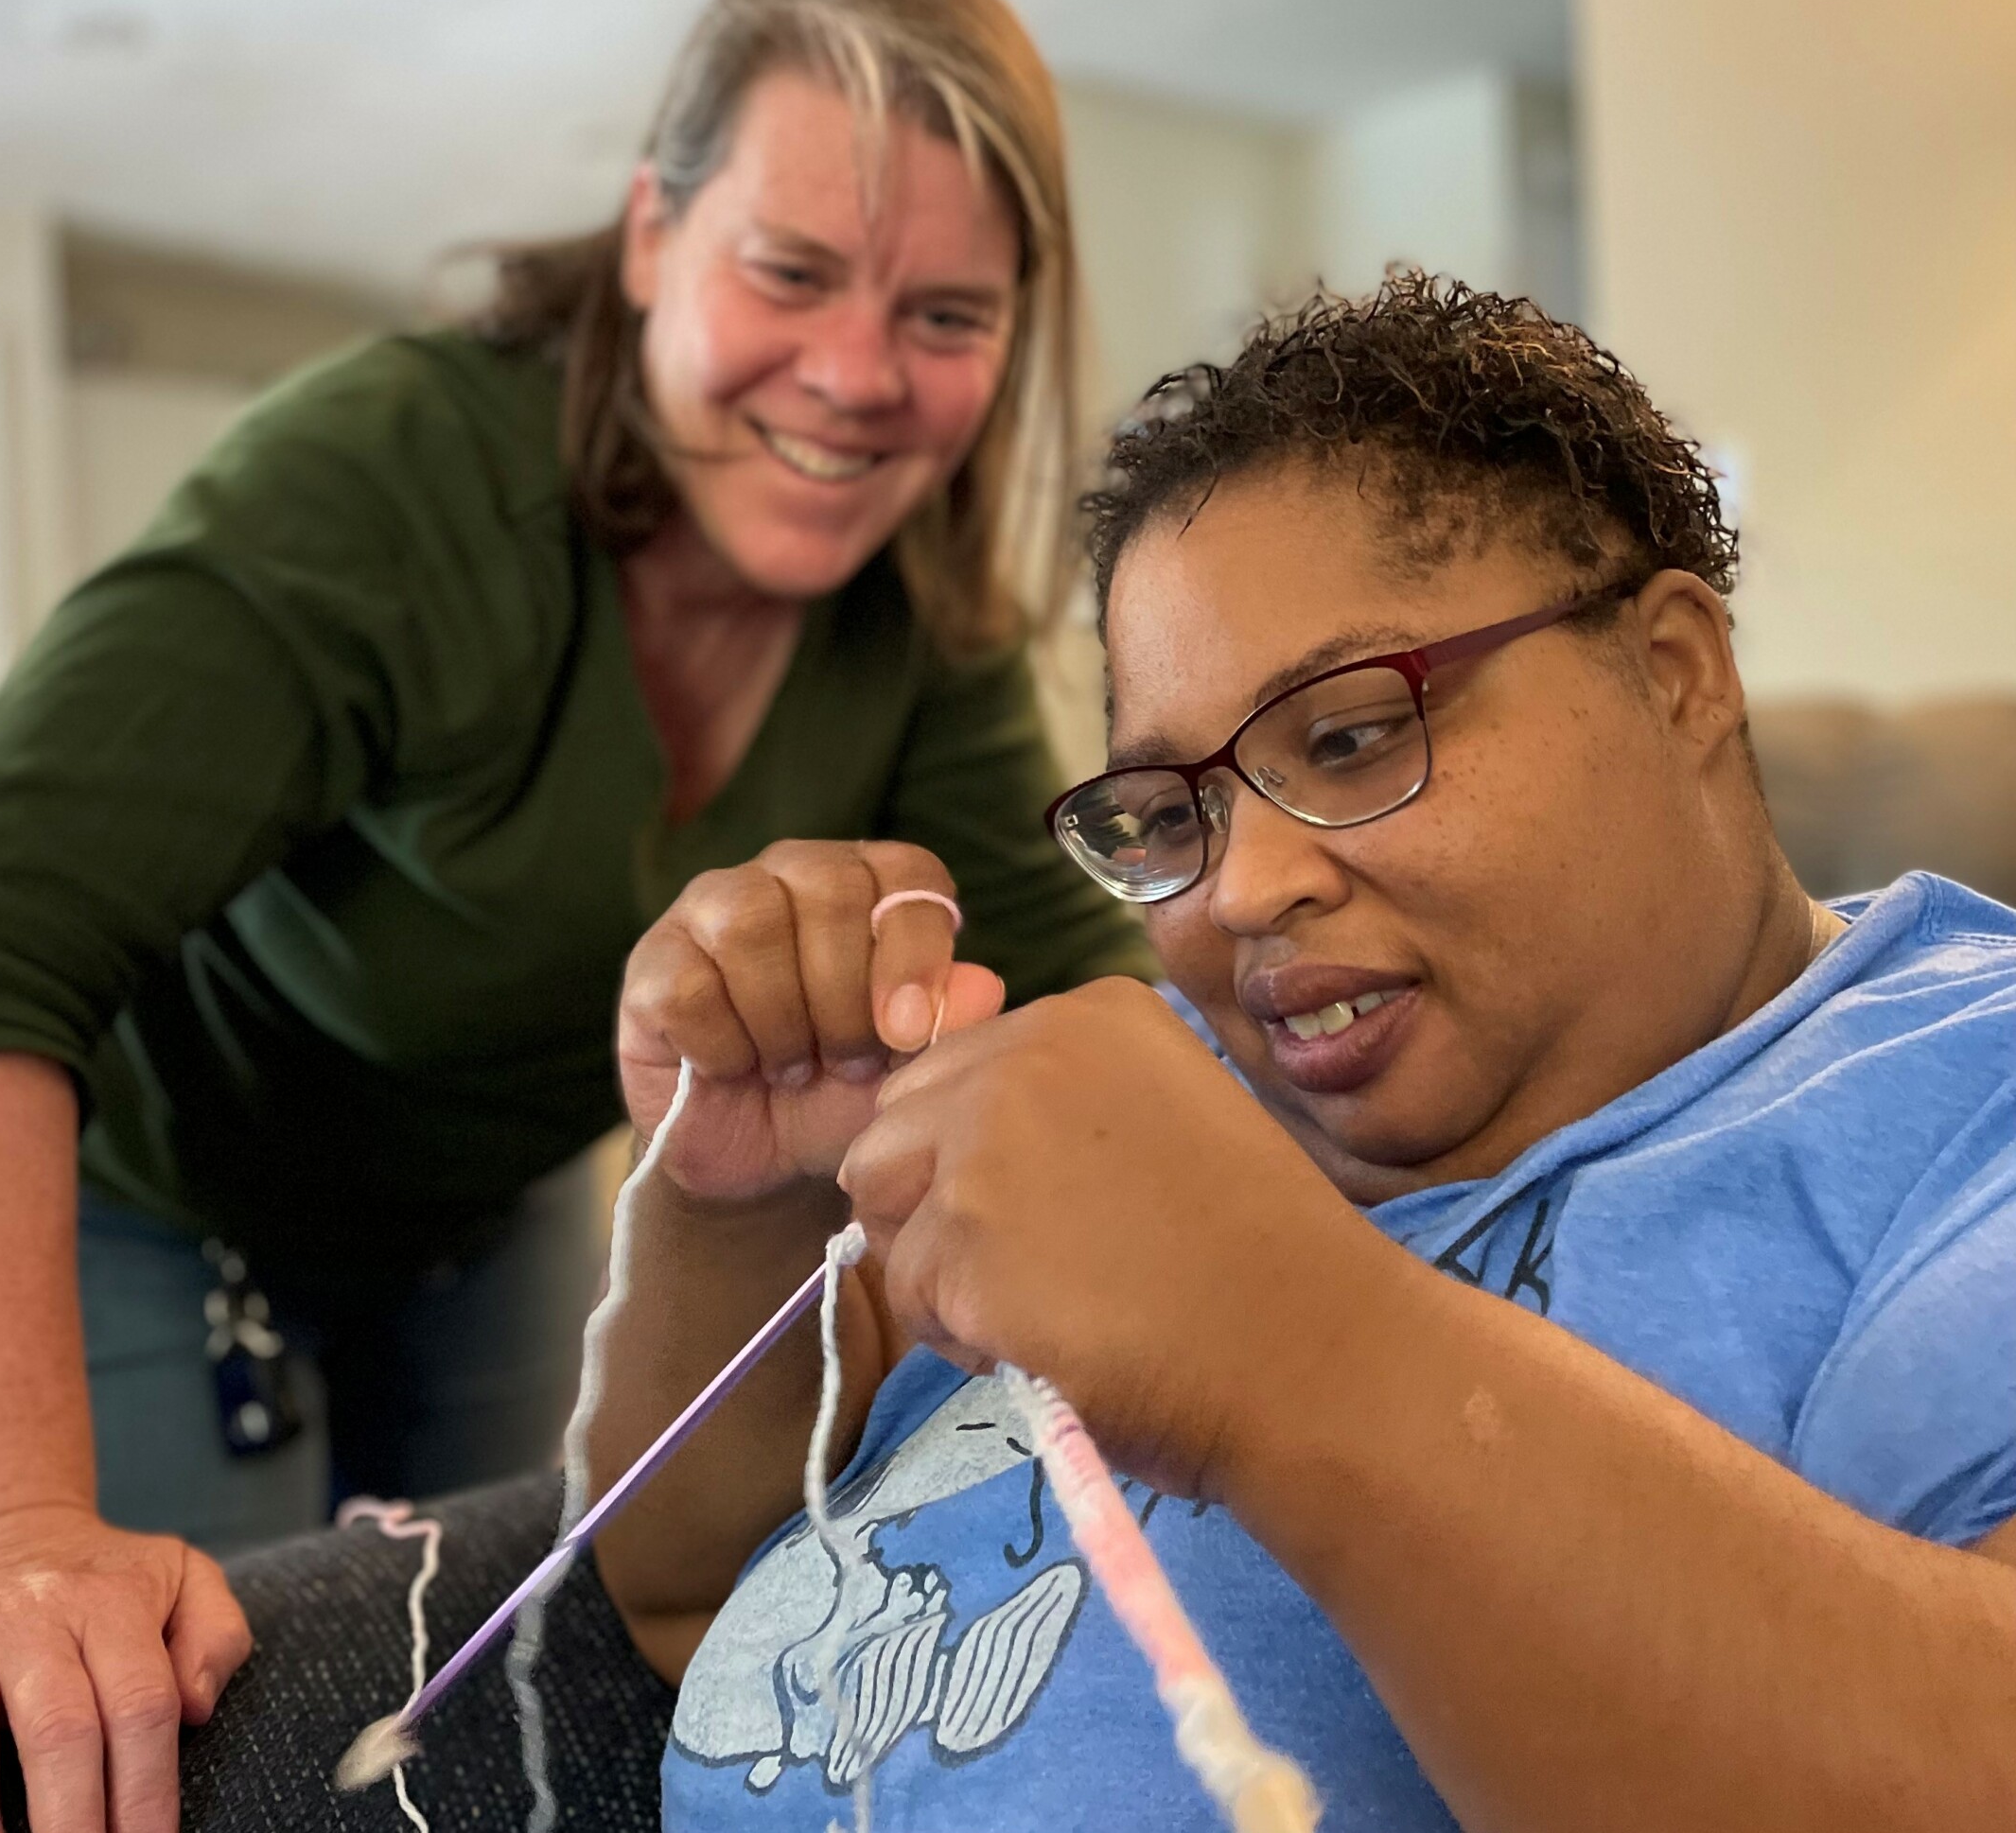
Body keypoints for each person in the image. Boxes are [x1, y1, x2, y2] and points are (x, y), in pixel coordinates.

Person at [0, 0, 1155, 1833]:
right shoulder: (383, 481)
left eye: (945, 316)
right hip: (161, 1196)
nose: (856, 378)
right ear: (644, 235)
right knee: (189, 1734)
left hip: (478, 1215)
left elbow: (1094, 1012)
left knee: (521, 1678)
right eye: (788, 272)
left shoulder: (914, 619)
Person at [596, 276, 2016, 1830]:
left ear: (1677, 674)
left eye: (1351, 736)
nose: (1241, 890)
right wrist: (727, 1212)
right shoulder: (1169, 1104)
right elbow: (673, 1595)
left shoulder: (1963, 1093)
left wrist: (1288, 1338)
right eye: (1173, 811)